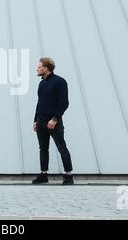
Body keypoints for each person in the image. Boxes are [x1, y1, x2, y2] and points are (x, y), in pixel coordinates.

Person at [32, 57, 74, 185]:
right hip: (41, 121)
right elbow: (40, 102)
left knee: (62, 147)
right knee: (43, 149)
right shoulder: (42, 83)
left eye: (39, 67)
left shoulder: (60, 82)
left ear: (46, 68)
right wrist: (35, 120)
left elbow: (64, 103)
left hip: (53, 122)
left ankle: (69, 176)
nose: (37, 69)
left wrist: (55, 119)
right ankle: (44, 175)